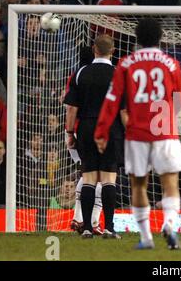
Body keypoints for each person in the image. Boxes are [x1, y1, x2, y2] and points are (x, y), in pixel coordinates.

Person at [94, 18, 181, 250]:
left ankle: (146, 238)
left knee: (139, 185)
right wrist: (171, 116)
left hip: (136, 132)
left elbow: (112, 100)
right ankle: (169, 224)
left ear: (137, 38)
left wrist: (102, 130)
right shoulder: (171, 63)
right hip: (164, 131)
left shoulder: (126, 64)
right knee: (170, 184)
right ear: (160, 37)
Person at [63, 34, 120, 239]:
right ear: (113, 51)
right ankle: (109, 228)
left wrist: (70, 133)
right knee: (108, 179)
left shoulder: (80, 73)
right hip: (110, 129)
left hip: (86, 127)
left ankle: (86, 227)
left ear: (94, 49)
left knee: (88, 178)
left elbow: (71, 108)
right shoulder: (119, 73)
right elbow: (124, 109)